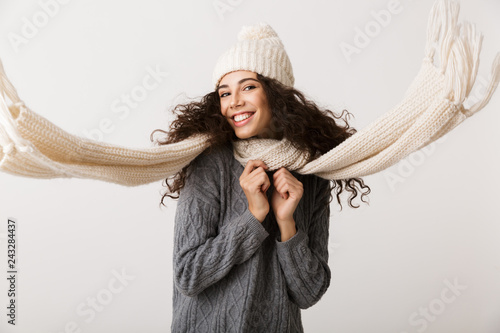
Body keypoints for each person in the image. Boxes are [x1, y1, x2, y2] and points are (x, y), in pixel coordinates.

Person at [150, 23, 370, 332]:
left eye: (248, 87)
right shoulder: (210, 164)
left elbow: (309, 292)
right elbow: (188, 275)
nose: (234, 102)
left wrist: (286, 223)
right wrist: (253, 217)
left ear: (277, 94)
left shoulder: (312, 172)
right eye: (225, 93)